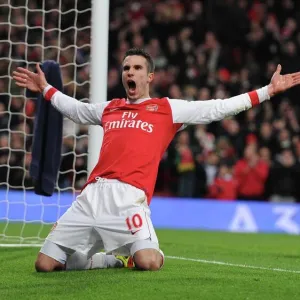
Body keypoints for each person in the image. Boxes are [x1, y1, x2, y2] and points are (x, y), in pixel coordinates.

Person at [13, 48, 300, 272]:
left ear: (149, 77)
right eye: (126, 67)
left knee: (148, 261)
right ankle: (106, 261)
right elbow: (76, 109)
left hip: (129, 198)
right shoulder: (110, 108)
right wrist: (47, 89)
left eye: (137, 68)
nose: (130, 72)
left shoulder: (166, 110)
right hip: (91, 195)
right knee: (45, 264)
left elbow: (218, 109)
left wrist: (267, 92)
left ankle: (136, 250)